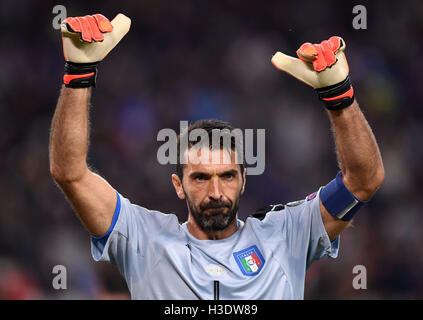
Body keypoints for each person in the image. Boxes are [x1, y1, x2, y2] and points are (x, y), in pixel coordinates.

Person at [49, 13, 384, 299]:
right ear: (178, 185)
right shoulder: (144, 239)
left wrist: (340, 98)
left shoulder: (286, 235)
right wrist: (79, 74)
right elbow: (70, 173)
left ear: (243, 181)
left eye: (227, 176)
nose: (215, 193)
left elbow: (363, 181)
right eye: (200, 178)